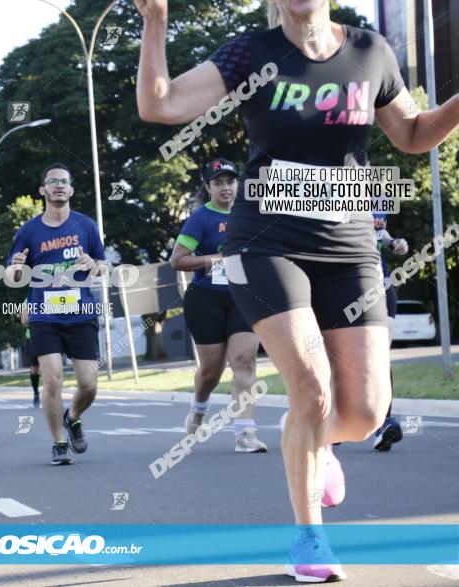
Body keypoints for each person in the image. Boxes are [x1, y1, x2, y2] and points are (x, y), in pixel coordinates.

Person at [135, 0, 458, 581]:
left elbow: (411, 134)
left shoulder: (370, 52)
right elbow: (160, 103)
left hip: (349, 242)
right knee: (309, 387)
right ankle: (308, 538)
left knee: (363, 413)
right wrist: (155, 19)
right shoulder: (251, 53)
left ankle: (316, 440)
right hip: (266, 240)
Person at [6, 163, 106, 465]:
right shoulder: (28, 231)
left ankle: (72, 417)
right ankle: (59, 442)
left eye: (64, 181)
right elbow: (11, 276)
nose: (59, 185)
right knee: (52, 380)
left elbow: (103, 269)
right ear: (43, 190)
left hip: (80, 314)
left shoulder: (86, 226)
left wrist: (93, 265)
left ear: (71, 189)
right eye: (52, 181)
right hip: (44, 316)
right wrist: (18, 269)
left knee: (89, 385)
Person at [171, 158, 266, 453]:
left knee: (244, 361)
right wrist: (211, 260)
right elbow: (177, 260)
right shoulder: (201, 218)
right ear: (208, 187)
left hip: (244, 297)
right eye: (218, 183)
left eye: (230, 181)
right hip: (206, 298)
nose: (225, 187)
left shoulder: (251, 213)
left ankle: (245, 434)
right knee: (211, 371)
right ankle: (198, 408)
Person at [372, 212, 409, 451]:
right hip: (344, 283)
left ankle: (384, 422)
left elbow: (380, 233)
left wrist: (394, 241)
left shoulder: (378, 199)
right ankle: (336, 419)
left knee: (380, 355)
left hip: (380, 283)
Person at [20, 304, 41, 408]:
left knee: (50, 367)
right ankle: (36, 393)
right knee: (34, 369)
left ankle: (51, 393)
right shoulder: (29, 299)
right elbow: (24, 321)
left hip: (50, 336)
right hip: (32, 337)